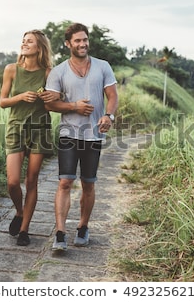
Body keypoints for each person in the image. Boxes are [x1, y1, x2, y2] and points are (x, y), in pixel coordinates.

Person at [44, 22, 118, 251]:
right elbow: (51, 105)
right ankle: (60, 232)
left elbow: (113, 96)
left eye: (85, 39)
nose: (82, 44)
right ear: (68, 44)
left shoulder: (103, 66)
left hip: (94, 135)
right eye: (77, 40)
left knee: (88, 183)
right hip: (69, 133)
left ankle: (83, 227)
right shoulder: (58, 72)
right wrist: (74, 106)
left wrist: (109, 116)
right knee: (65, 181)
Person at [0, 29, 59, 246]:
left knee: (31, 181)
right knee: (13, 182)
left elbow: (56, 100)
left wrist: (52, 96)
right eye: (23, 41)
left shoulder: (48, 73)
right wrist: (22, 96)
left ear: (39, 47)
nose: (24, 44)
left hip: (40, 129)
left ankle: (24, 230)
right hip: (16, 128)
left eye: (29, 41)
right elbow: (2, 101)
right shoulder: (11, 69)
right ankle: (19, 211)